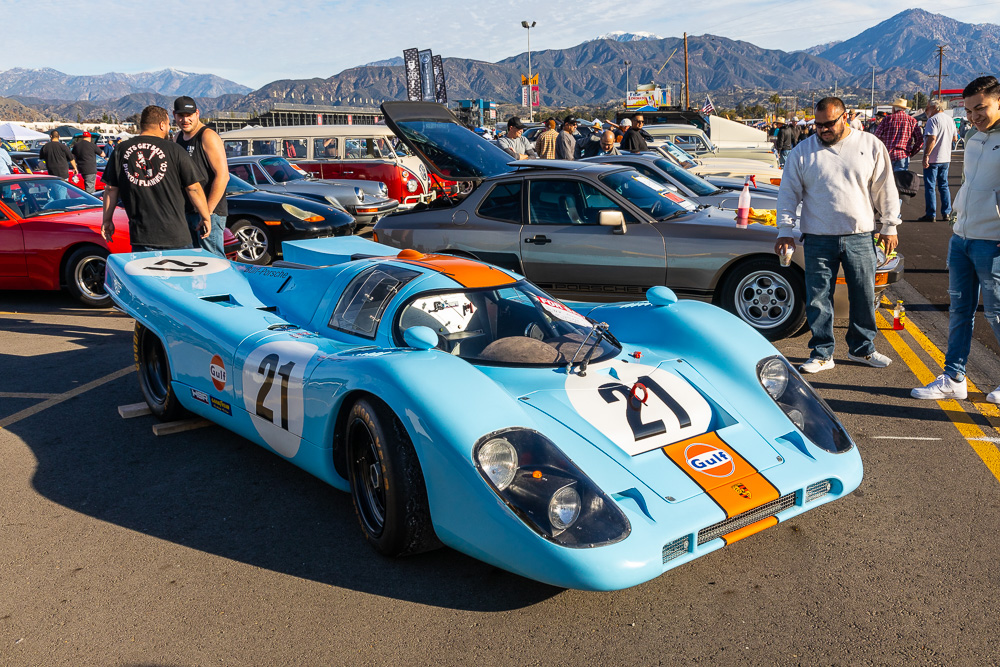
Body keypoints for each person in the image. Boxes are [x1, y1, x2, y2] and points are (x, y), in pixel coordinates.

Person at [774, 96, 899, 373]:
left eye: (829, 123)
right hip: (818, 236)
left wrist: (890, 226)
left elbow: (885, 189)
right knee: (819, 297)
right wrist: (785, 230)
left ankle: (862, 349)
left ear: (846, 117)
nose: (822, 130)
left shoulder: (870, 145)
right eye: (818, 125)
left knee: (863, 295)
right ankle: (821, 353)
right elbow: (788, 194)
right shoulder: (802, 152)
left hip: (860, 235)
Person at [912, 76, 1000, 402]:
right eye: (969, 110)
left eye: (981, 108)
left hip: (992, 242)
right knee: (960, 311)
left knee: (996, 314)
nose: (974, 115)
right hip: (962, 238)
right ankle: (954, 378)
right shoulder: (974, 136)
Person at [101, 105, 211, 253]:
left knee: (147, 276)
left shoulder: (121, 150)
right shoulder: (175, 149)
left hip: (142, 237)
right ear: (162, 125)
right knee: (180, 275)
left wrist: (107, 220)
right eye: (167, 124)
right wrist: (205, 217)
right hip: (176, 236)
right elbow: (193, 188)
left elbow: (111, 189)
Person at [173, 96, 229, 257]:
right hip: (187, 211)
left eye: (189, 115)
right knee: (192, 261)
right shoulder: (177, 138)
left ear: (197, 113)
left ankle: (221, 283)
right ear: (174, 115)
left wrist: (208, 212)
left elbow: (223, 176)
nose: (185, 119)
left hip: (210, 211)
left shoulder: (207, 136)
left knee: (213, 260)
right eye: (181, 115)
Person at [917, 99, 956, 222]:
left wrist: (926, 155)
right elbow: (955, 138)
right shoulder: (950, 120)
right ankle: (946, 213)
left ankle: (931, 213)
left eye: (927, 108)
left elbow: (932, 138)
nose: (926, 111)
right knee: (944, 185)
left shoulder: (932, 120)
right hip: (946, 158)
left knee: (930, 186)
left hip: (934, 158)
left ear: (934, 108)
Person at [873, 98, 922, 171]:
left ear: (894, 108)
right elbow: (920, 140)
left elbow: (876, 137)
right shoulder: (912, 120)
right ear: (904, 109)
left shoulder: (887, 119)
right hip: (903, 155)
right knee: (900, 180)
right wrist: (911, 152)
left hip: (887, 154)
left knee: (887, 179)